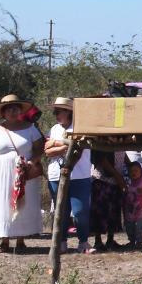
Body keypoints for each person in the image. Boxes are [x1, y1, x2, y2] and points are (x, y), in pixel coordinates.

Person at [0, 95, 45, 253]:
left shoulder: (30, 128)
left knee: (24, 203)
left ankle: (21, 240)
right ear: (3, 112)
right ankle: (4, 240)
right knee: (2, 203)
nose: (14, 111)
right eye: (10, 109)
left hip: (23, 172)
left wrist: (32, 162)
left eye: (16, 108)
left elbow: (40, 148)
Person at [43, 98, 93, 253]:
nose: (55, 114)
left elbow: (79, 147)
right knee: (61, 211)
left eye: (59, 111)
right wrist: (65, 145)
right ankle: (61, 242)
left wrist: (56, 144)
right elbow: (46, 150)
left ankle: (83, 242)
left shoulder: (80, 127)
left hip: (80, 175)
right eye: (55, 111)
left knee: (80, 211)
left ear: (68, 111)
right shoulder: (53, 129)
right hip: (55, 175)